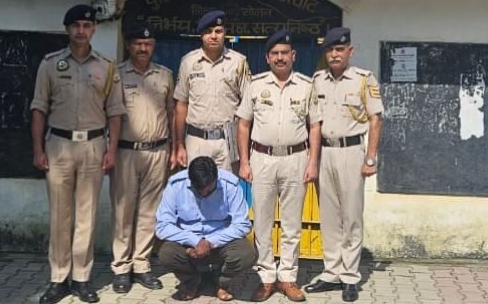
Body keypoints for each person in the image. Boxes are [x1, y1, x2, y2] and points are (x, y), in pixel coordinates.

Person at [30, 4, 125, 304]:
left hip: (93, 146)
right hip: (58, 145)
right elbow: (38, 108)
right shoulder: (50, 64)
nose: (81, 31)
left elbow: (115, 112)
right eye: (76, 26)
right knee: (60, 216)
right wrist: (38, 149)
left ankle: (81, 278)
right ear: (67, 29)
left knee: (87, 215)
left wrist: (111, 150)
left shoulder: (107, 67)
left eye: (86, 25)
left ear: (94, 29)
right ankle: (59, 278)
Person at [236, 29, 321, 302]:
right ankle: (266, 278)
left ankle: (288, 277)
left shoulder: (306, 86)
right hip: (262, 158)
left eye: (285, 53)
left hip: (296, 158)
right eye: (275, 53)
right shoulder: (255, 85)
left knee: (292, 224)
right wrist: (244, 162)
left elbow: (315, 126)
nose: (280, 57)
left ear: (293, 55)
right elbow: (243, 125)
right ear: (267, 57)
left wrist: (313, 162)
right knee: (262, 223)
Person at [304, 27, 384, 302]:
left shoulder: (363, 79)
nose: (334, 54)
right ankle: (331, 272)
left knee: (351, 216)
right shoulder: (318, 80)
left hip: (351, 152)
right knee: (329, 216)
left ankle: (350, 276)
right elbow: (313, 121)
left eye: (339, 49)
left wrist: (370, 158)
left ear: (350, 51)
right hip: (325, 152)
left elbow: (376, 119)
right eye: (329, 50)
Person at [110, 25, 173, 293]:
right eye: (138, 43)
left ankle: (141, 265)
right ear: (128, 46)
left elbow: (171, 113)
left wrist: (174, 147)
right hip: (125, 152)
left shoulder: (165, 75)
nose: (143, 48)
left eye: (147, 43)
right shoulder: (116, 74)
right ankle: (121, 268)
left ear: (153, 45)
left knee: (150, 212)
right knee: (123, 211)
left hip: (157, 151)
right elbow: (110, 115)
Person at [156, 156, 256, 302]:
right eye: (198, 190)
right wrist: (194, 241)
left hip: (221, 242)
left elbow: (243, 224)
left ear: (216, 178)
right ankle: (191, 281)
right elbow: (162, 226)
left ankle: (221, 281)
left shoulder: (230, 185)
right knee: (167, 254)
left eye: (209, 190)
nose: (203, 194)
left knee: (246, 254)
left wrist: (210, 242)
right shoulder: (176, 185)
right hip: (188, 244)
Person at [172, 10, 250, 171]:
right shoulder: (188, 62)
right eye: (208, 32)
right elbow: (181, 105)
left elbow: (248, 106)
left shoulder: (239, 62)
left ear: (225, 33)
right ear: (201, 35)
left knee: (227, 185)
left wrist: (245, 151)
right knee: (196, 184)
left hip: (228, 141)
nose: (213, 36)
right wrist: (179, 144)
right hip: (196, 140)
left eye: (218, 31)